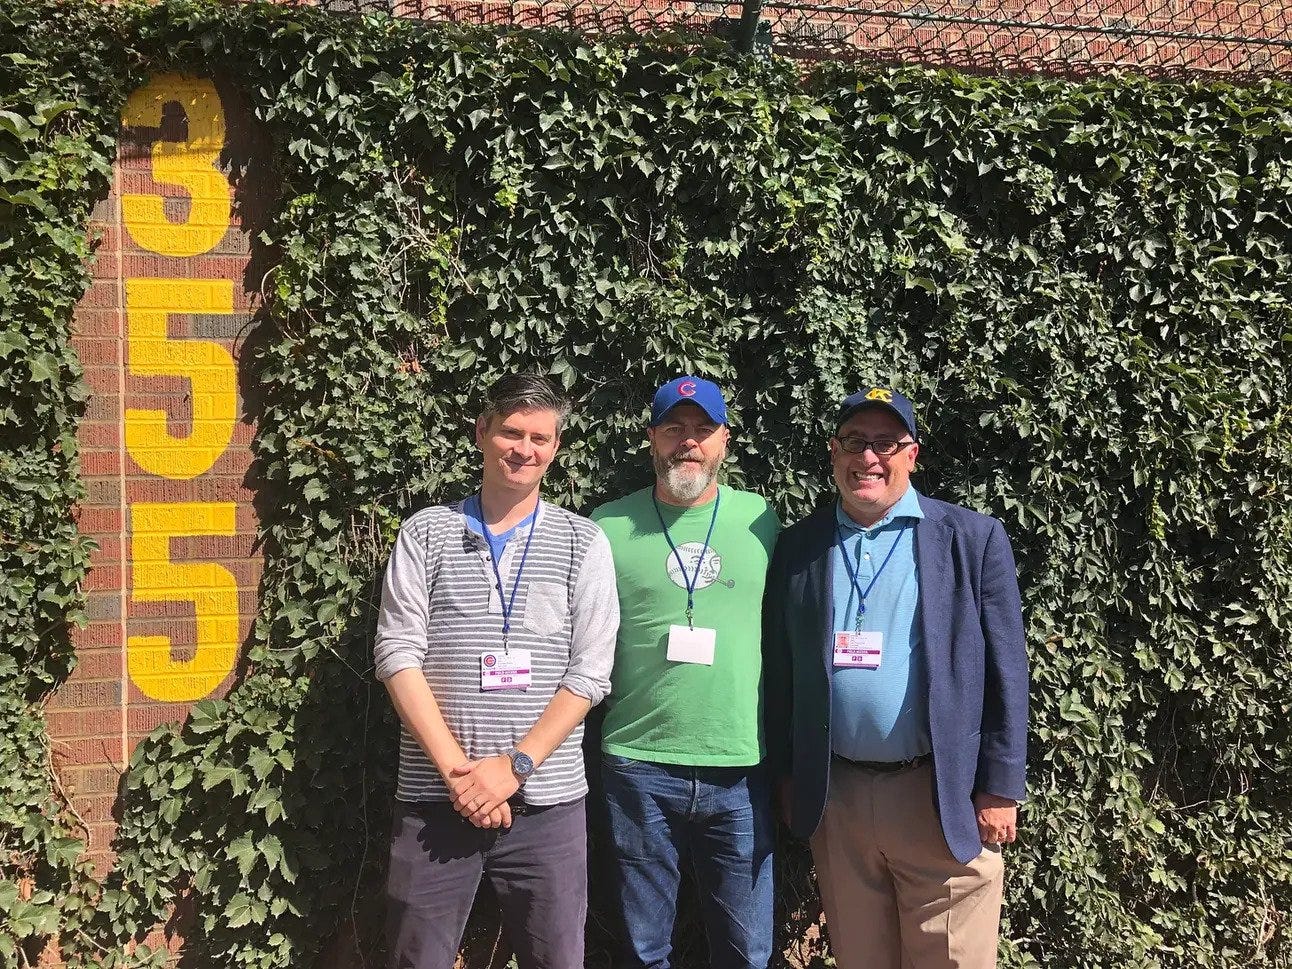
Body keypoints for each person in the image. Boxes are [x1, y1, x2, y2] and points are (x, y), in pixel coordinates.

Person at [763, 387, 1029, 969]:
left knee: (952, 958)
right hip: (839, 799)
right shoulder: (799, 547)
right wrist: (787, 774)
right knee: (861, 957)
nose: (869, 458)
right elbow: (782, 674)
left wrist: (1002, 785)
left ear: (913, 454)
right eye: (856, 442)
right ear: (834, 453)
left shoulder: (971, 538)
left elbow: (1008, 668)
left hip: (940, 793)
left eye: (886, 443)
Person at [374, 373, 620, 969]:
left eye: (540, 438)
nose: (524, 449)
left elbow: (591, 671)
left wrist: (514, 768)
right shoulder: (426, 533)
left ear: (555, 448)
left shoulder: (583, 541)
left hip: (549, 808)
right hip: (438, 800)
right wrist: (461, 775)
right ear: (482, 432)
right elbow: (396, 654)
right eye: (511, 432)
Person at [591, 376, 780, 969]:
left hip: (740, 762)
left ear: (725, 440)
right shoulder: (607, 526)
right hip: (638, 762)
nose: (688, 443)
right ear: (652, 438)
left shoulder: (763, 521)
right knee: (644, 948)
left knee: (747, 951)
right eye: (674, 428)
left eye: (703, 430)